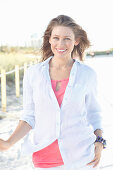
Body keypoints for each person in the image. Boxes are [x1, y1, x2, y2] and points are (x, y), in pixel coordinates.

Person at [0, 15, 106, 170]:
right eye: (56, 38)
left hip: (82, 157)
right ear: (49, 39)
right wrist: (9, 143)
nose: (61, 44)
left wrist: (100, 141)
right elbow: (29, 117)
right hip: (44, 158)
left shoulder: (88, 74)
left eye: (67, 38)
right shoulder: (33, 74)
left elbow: (94, 114)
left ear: (76, 41)